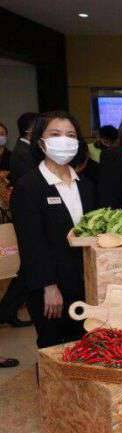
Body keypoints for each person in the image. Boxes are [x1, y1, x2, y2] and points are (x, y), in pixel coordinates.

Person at [11, 111, 95, 348]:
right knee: (54, 349)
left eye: (71, 135)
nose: (64, 140)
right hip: (50, 287)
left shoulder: (86, 185)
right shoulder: (29, 186)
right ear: (41, 142)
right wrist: (48, 286)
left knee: (86, 347)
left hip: (83, 283)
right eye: (55, 134)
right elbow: (31, 243)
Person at [0, 119, 32, 328]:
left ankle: (7, 311)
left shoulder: (11, 154)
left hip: (8, 214)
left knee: (16, 266)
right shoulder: (22, 153)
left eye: (3, 133)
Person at [9, 112, 38, 186]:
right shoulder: (22, 153)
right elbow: (30, 181)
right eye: (39, 125)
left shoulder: (27, 148)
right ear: (28, 129)